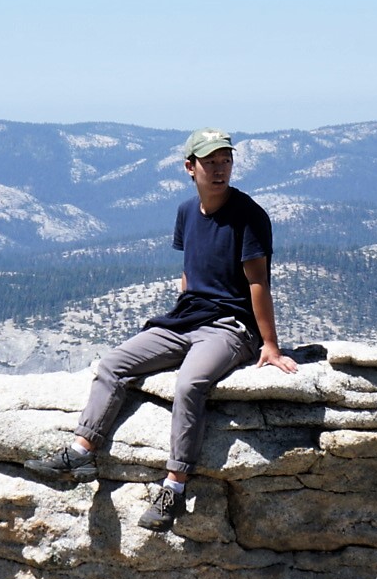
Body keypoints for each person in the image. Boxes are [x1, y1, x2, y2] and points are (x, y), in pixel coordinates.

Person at [25, 127, 297, 532]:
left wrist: (269, 345)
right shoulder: (187, 212)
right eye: (210, 162)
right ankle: (82, 449)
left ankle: (175, 486)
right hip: (185, 317)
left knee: (190, 383)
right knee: (114, 364)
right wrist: (184, 302)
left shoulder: (250, 215)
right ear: (190, 167)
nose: (220, 169)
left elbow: (258, 282)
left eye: (226, 161)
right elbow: (191, 269)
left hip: (229, 327)